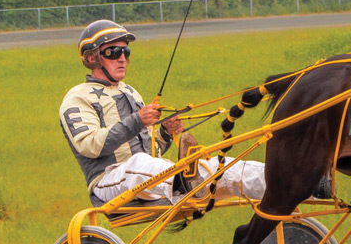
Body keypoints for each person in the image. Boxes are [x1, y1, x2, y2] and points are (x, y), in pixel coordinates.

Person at [59, 19, 266, 206]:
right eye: (113, 52)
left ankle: (283, 182)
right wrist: (138, 121)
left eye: (126, 52)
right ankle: (189, 182)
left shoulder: (130, 92)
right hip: (109, 181)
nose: (122, 58)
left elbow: (151, 149)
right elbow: (90, 145)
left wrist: (165, 133)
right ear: (92, 58)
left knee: (222, 166)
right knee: (141, 165)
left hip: (151, 176)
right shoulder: (78, 97)